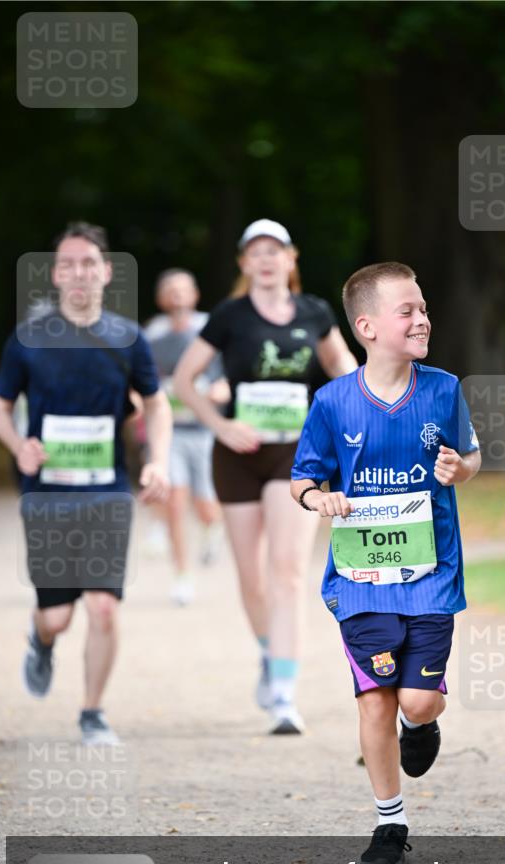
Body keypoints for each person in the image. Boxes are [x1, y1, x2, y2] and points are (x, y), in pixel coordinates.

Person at [290, 262, 481, 864]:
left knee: (416, 702)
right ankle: (389, 824)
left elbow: (470, 456)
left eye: (423, 309)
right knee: (375, 697)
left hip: (430, 576)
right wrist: (319, 498)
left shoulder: (444, 389)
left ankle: (422, 727)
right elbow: (303, 477)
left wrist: (461, 469)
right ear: (367, 326)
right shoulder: (333, 401)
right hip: (360, 579)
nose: (422, 318)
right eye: (408, 311)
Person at [0, 221, 171, 745]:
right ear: (55, 274)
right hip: (46, 493)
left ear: (106, 271)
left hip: (107, 488)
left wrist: (158, 460)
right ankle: (41, 639)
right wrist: (18, 443)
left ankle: (93, 712)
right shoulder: (28, 339)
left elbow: (155, 404)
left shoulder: (126, 338)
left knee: (104, 605)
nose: (78, 273)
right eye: (67, 264)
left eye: (88, 263)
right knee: (58, 617)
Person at [174, 219, 357, 734]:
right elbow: (186, 380)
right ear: (243, 263)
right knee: (251, 578)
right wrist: (220, 424)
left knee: (288, 571)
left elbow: (343, 372)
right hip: (238, 456)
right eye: (255, 251)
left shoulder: (314, 312)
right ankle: (267, 652)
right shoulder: (229, 317)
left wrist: (366, 408)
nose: (266, 259)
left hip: (295, 458)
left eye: (275, 250)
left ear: (291, 258)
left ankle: (283, 695)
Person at [147, 268, 229, 605]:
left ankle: (214, 529)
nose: (177, 296)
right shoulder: (152, 334)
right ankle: (182, 576)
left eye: (183, 290)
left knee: (206, 507)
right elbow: (145, 379)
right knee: (174, 502)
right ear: (161, 298)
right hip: (172, 432)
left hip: (206, 429)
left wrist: (223, 388)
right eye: (170, 290)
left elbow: (227, 372)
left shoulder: (210, 328)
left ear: (194, 295)